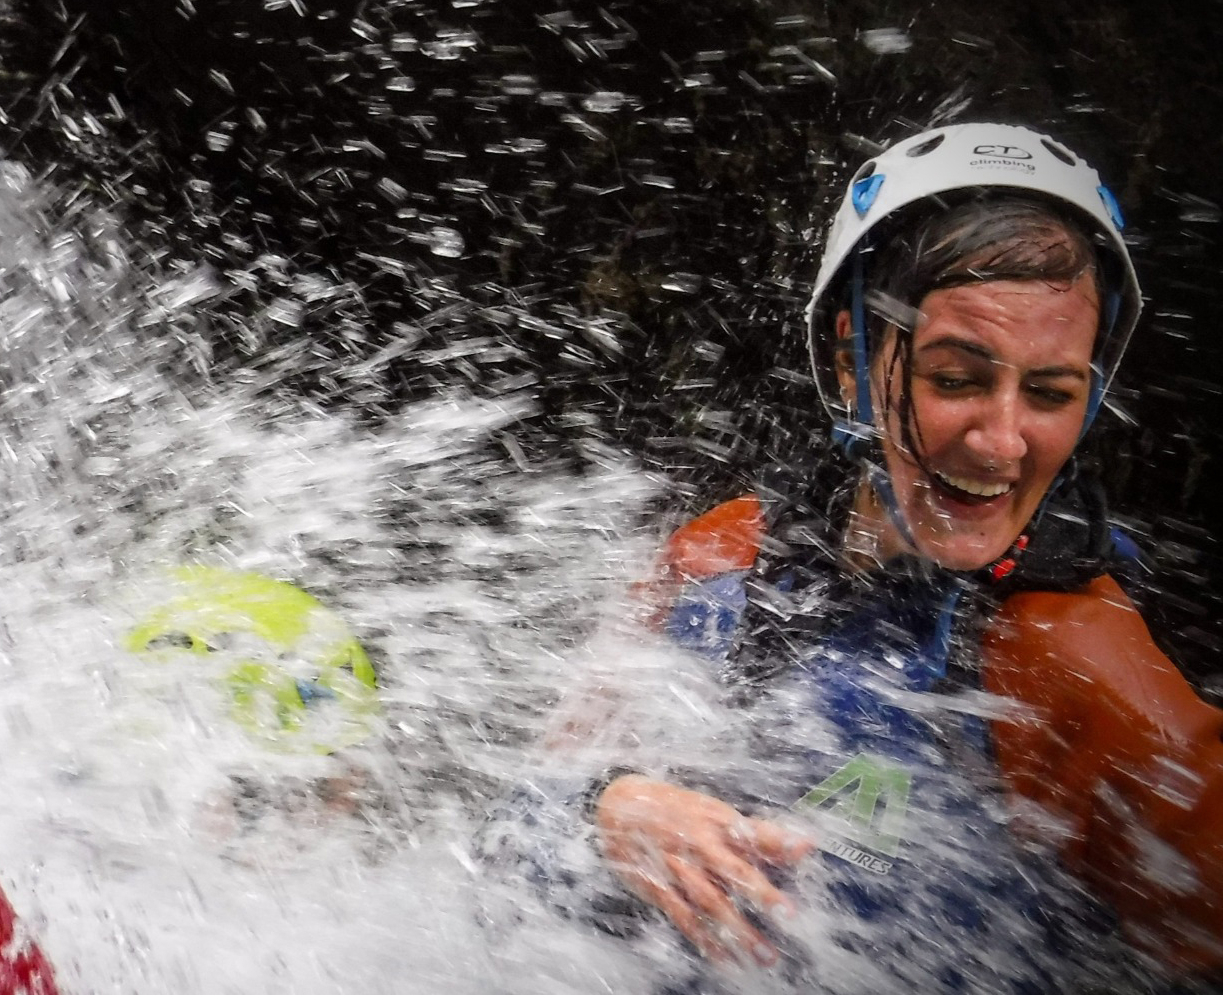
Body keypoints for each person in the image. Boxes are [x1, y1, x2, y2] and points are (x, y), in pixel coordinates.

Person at [477, 122, 1222, 991]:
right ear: (849, 360)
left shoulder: (1068, 655)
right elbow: (499, 844)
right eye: (956, 378)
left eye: (1050, 392)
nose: (1002, 440)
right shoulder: (719, 553)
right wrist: (607, 806)